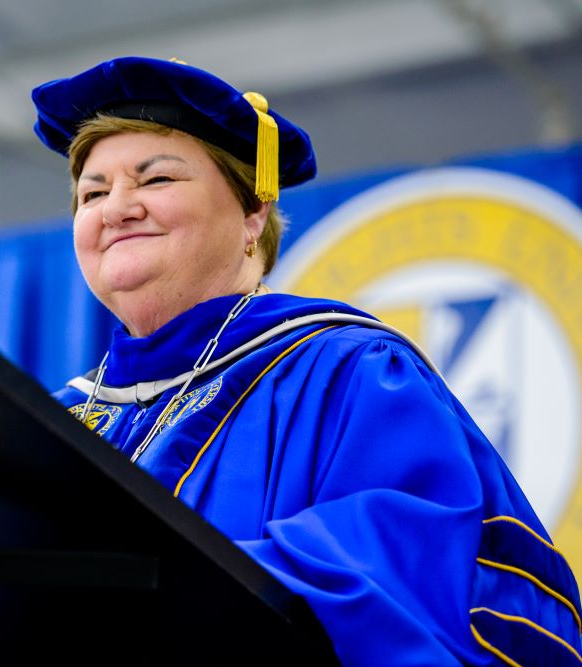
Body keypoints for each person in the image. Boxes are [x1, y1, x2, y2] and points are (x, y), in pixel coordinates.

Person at [31, 56, 582, 665]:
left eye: (155, 180)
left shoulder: (346, 372)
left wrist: (151, 596)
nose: (116, 208)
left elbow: (402, 570)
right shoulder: (59, 419)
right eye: (93, 193)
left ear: (252, 214)